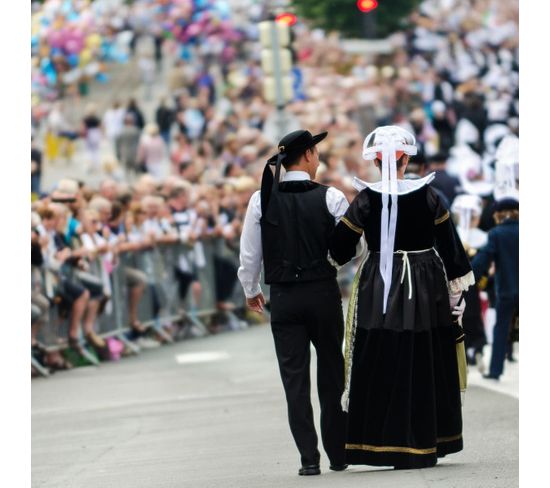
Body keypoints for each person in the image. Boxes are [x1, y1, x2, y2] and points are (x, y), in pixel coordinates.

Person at [329, 125, 473, 470]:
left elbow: (339, 248)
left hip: (381, 281)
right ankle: (428, 440)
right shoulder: (428, 196)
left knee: (382, 349)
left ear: (377, 161)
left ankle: (383, 442)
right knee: (424, 351)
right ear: (406, 158)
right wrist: (456, 285)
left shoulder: (366, 198)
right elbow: (451, 246)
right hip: (426, 281)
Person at [238, 130, 355, 476]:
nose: (318, 160)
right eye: (316, 154)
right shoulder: (331, 197)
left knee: (295, 379)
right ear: (307, 155)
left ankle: (308, 458)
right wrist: (332, 263)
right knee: (332, 372)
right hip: (322, 292)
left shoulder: (262, 200)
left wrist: (250, 288)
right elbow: (351, 247)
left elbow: (250, 253)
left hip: (285, 297)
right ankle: (338, 452)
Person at [471, 198, 519, 381]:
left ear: (498, 214)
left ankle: (496, 370)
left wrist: (468, 277)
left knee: (501, 328)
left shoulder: (496, 234)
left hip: (506, 289)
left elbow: (482, 260)